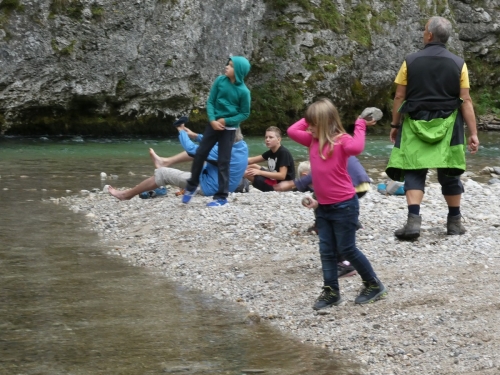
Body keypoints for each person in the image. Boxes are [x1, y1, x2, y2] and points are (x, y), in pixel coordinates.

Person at [287, 98, 387, 310]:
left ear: (323, 123)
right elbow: (292, 130)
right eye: (309, 124)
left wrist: (360, 123)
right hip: (323, 206)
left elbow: (358, 146)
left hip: (345, 205)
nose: (309, 128)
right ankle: (331, 291)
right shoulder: (312, 141)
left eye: (313, 123)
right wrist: (311, 119)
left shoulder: (342, 142)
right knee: (327, 251)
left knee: (347, 249)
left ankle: (373, 284)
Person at [386, 16, 480, 240]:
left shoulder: (410, 61)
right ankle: (454, 223)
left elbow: (400, 96)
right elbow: (465, 100)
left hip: (415, 121)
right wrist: (473, 133)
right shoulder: (459, 64)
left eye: (423, 31)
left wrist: (395, 124)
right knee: (449, 171)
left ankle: (413, 223)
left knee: (414, 170)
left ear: (429, 35)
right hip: (449, 124)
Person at [108, 122, 248, 200]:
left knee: (162, 174)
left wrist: (181, 130)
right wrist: (194, 135)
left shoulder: (222, 150)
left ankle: (126, 195)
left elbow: (190, 148)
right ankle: (166, 161)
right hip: (224, 184)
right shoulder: (241, 146)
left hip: (210, 187)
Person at [183, 56, 251, 207]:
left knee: (223, 161)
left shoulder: (244, 92)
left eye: (231, 66)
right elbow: (211, 101)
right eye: (228, 64)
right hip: (213, 125)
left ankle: (221, 197)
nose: (227, 67)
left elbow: (244, 114)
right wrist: (213, 120)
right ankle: (192, 185)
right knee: (200, 153)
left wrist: (226, 121)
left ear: (238, 71)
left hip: (229, 129)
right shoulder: (220, 81)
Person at [245, 126, 295, 191]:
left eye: (271, 137)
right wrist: (233, 161)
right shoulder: (271, 152)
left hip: (280, 185)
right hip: (274, 179)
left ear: (279, 139)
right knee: (253, 166)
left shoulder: (283, 152)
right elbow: (251, 160)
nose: (267, 140)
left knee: (245, 172)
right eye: (266, 137)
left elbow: (282, 176)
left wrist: (259, 172)